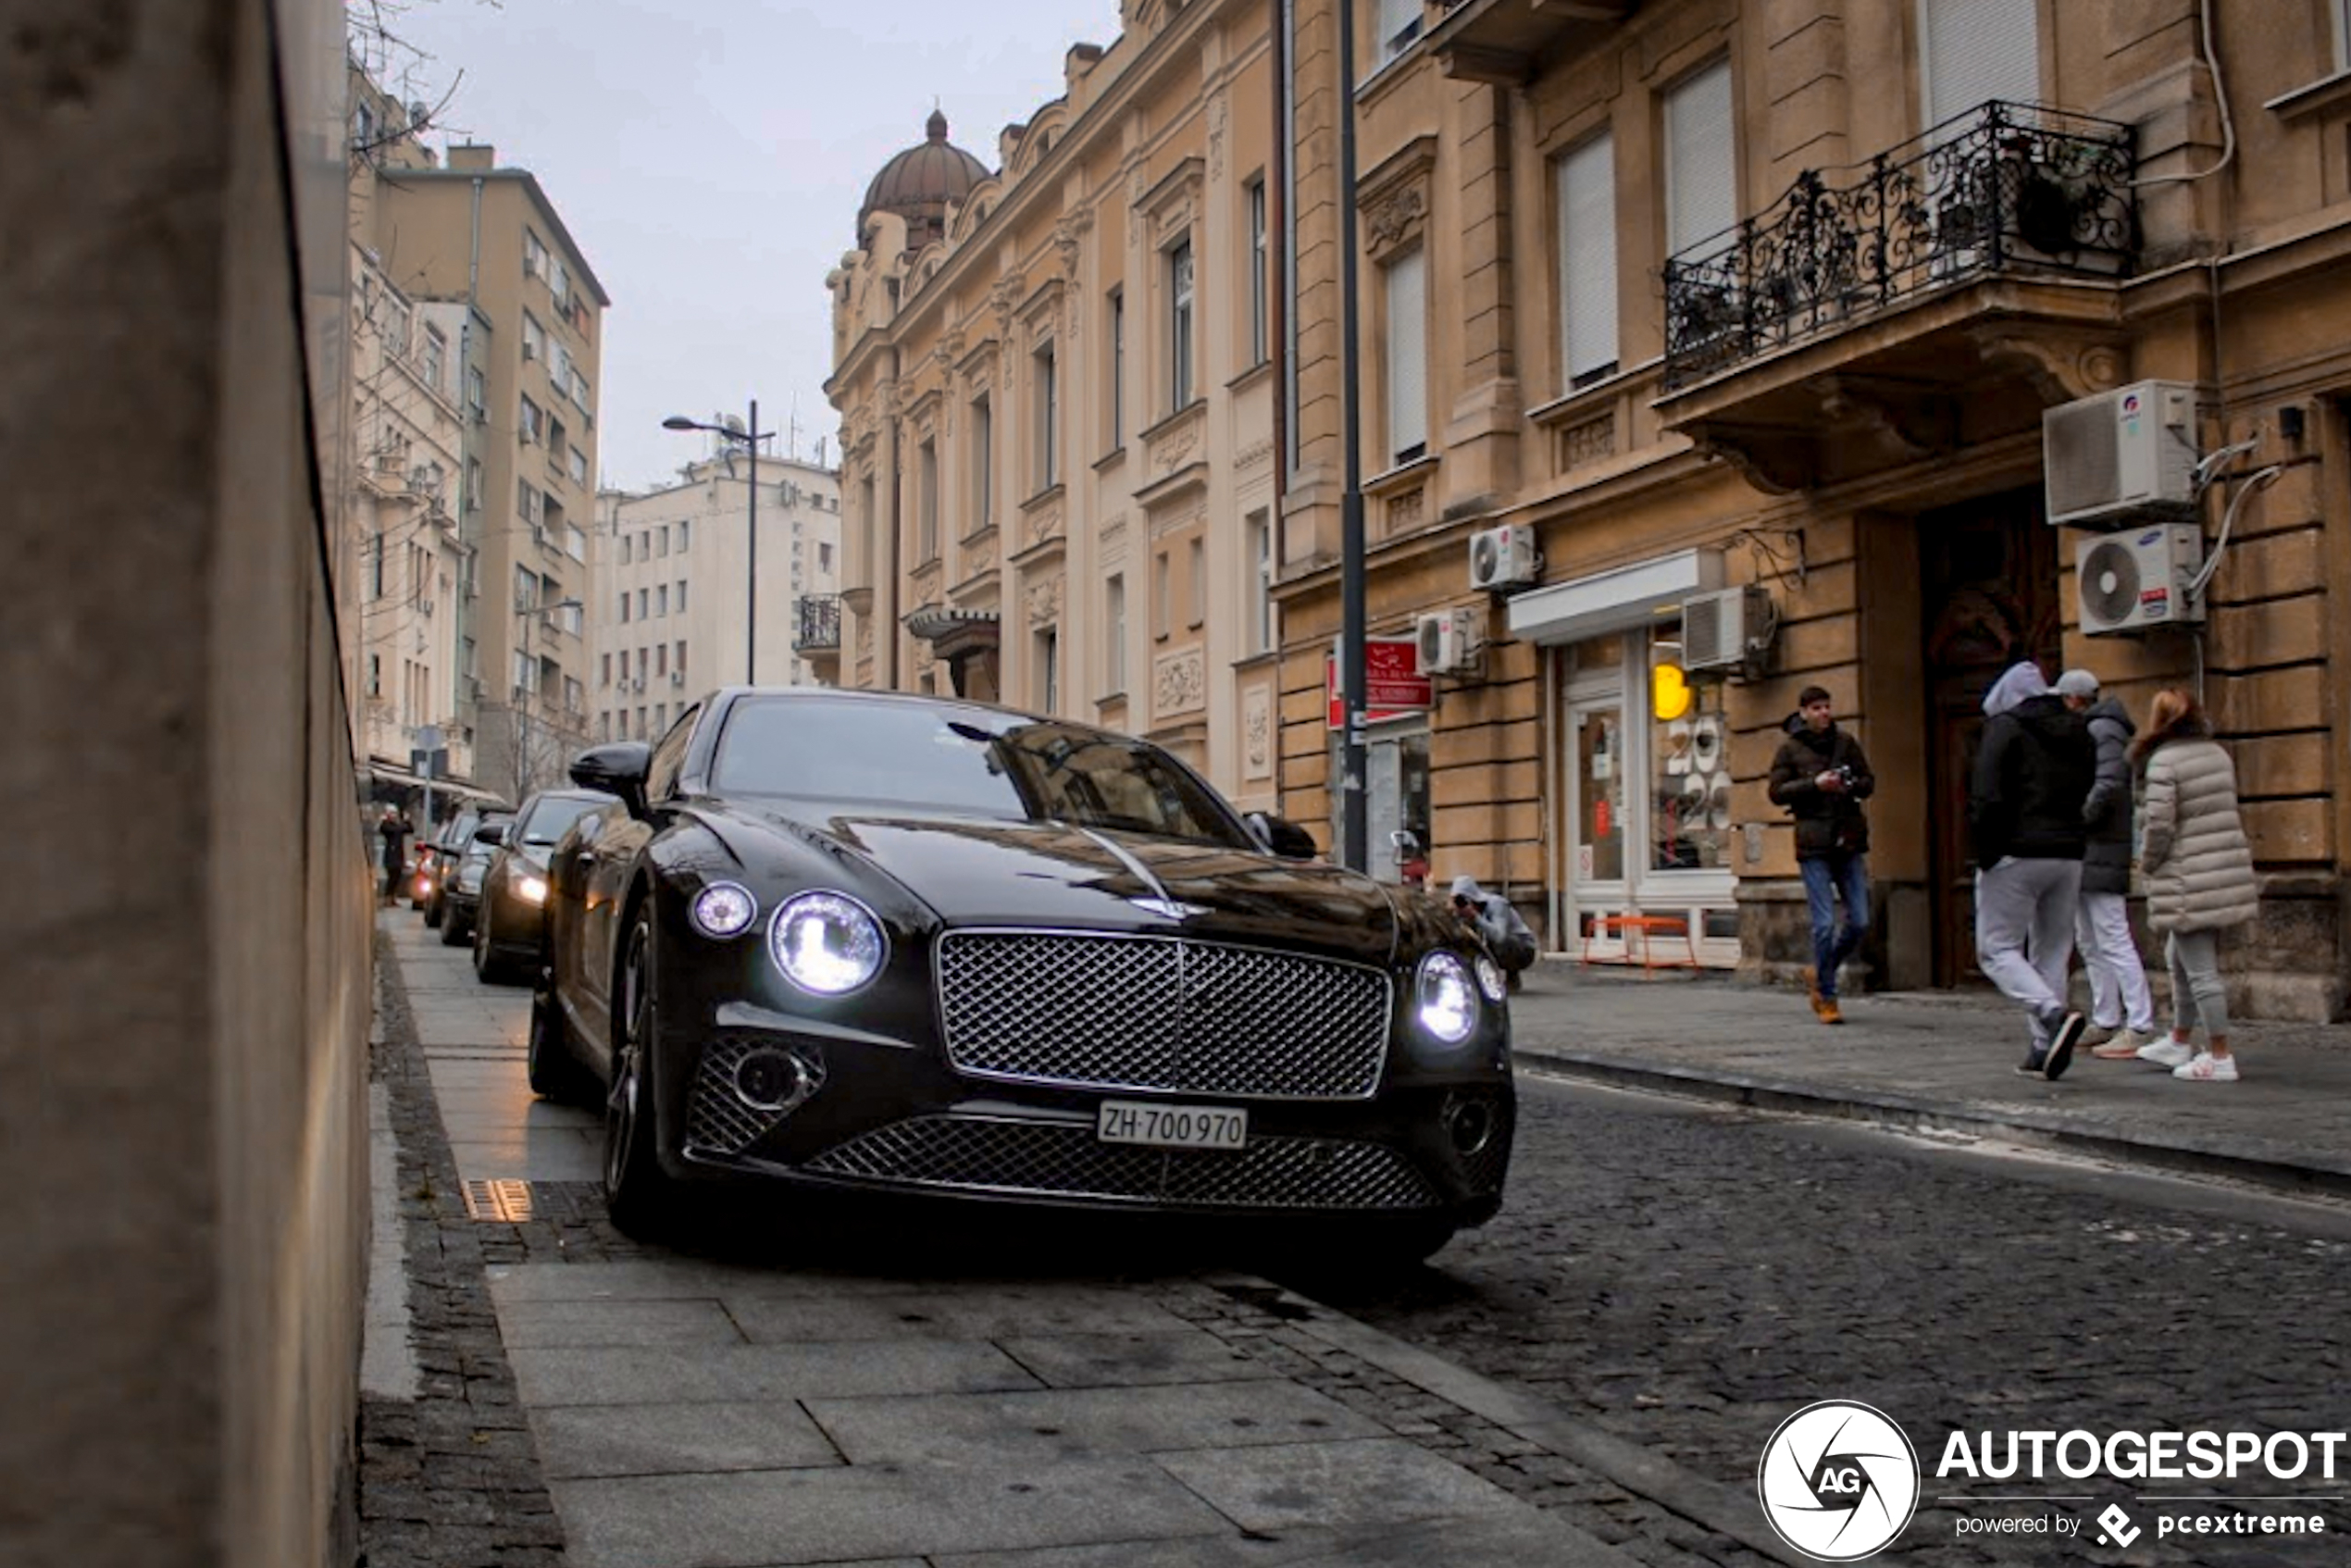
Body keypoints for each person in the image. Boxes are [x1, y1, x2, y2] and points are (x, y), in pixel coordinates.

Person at [1969, 659, 2095, 1079]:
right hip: (2068, 852)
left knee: (1997, 949)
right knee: (2052, 951)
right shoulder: (2078, 728)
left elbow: (1986, 793)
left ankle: (2052, 1015)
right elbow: (2088, 785)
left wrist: (1987, 852)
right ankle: (2043, 1048)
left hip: (2016, 850)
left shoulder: (2005, 728)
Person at [2129, 689, 2258, 1082]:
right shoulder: (2217, 754)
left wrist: (2146, 864)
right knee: (2179, 956)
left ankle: (2220, 1056)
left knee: (2200, 971)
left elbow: (2160, 824)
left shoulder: (2165, 761)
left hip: (2187, 874)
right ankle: (2179, 1038)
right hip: (2220, 868)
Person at [2056, 670, 2159, 1059]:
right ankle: (2106, 1016)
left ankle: (2140, 1023)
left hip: (2100, 847)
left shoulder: (2104, 730)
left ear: (2075, 699)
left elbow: (2107, 784)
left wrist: (2074, 819)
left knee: (2112, 935)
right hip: (2086, 849)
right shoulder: (2093, 729)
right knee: (2089, 939)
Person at [1766, 685, 1875, 1024]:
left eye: (1827, 707)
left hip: (1848, 839)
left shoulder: (1846, 744)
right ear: (1803, 713)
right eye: (1816, 708)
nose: (1824, 713)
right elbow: (1776, 792)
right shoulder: (1790, 749)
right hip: (1813, 844)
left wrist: (1850, 784)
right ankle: (1827, 997)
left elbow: (1869, 782)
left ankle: (1821, 970)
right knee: (1824, 924)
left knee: (1859, 920)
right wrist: (1815, 785)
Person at [1450, 875, 1536, 990]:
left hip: (1523, 949)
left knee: (1498, 940)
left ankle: (1511, 973)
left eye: (1464, 900)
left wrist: (1476, 917)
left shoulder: (1497, 904)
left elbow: (1499, 937)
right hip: (1499, 945)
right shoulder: (1463, 913)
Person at [377, 805, 412, 907]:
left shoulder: (396, 826)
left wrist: (407, 820)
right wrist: (403, 824)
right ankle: (387, 898)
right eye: (391, 813)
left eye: (395, 813)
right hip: (391, 856)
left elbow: (409, 829)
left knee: (397, 877)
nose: (394, 816)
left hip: (398, 855)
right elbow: (394, 830)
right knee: (391, 878)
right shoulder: (386, 826)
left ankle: (392, 898)